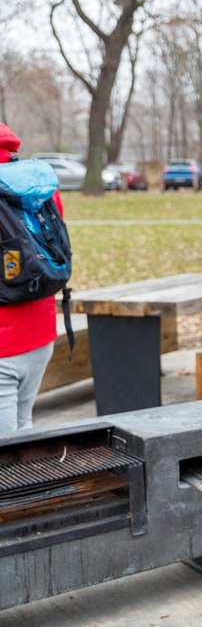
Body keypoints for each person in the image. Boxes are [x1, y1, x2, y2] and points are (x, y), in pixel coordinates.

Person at [0, 123, 62, 434]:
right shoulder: (34, 180)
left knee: (8, 459)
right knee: (23, 433)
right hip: (41, 333)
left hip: (4, 348)